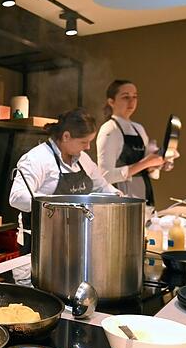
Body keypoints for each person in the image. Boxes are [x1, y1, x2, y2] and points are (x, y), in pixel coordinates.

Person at [9, 108, 120, 249]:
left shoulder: (83, 159)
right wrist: (59, 205)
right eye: (84, 142)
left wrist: (119, 197)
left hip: (76, 242)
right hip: (40, 244)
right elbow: (17, 197)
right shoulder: (37, 158)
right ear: (66, 136)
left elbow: (102, 186)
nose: (88, 147)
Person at [96, 80, 175, 206]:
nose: (131, 102)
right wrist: (145, 163)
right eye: (126, 97)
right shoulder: (109, 129)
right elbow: (105, 176)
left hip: (144, 194)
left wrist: (158, 163)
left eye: (135, 97)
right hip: (121, 198)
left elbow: (148, 169)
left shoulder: (138, 128)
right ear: (111, 102)